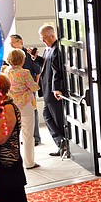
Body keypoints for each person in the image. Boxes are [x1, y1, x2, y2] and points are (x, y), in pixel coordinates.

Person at [5, 48, 40, 169]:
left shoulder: (6, 71)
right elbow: (33, 87)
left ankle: (13, 162)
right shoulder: (24, 72)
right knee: (28, 134)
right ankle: (29, 163)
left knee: (13, 135)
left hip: (12, 106)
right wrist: (37, 85)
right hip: (25, 105)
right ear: (21, 60)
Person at [38, 24, 68, 158]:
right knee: (47, 116)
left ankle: (64, 144)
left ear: (52, 36)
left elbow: (57, 70)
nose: (43, 41)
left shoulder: (57, 49)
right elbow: (46, 65)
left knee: (57, 119)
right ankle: (60, 142)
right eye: (41, 39)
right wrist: (36, 58)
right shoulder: (47, 49)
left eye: (44, 38)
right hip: (46, 90)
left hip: (53, 92)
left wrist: (57, 88)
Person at [9, 34, 43, 146]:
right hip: (16, 95)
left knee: (33, 114)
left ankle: (35, 137)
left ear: (20, 42)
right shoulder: (12, 58)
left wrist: (35, 86)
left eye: (13, 42)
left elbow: (37, 71)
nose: (11, 44)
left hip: (28, 91)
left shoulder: (27, 55)